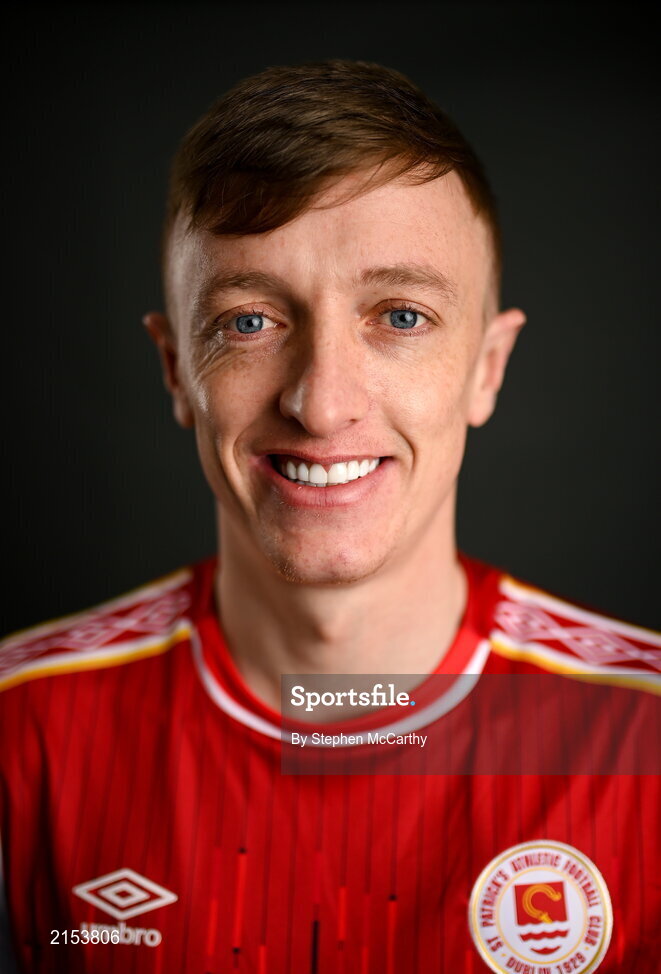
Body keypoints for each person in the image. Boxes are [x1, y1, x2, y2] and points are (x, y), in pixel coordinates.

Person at [0, 60, 658, 974]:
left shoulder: (644, 736)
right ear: (173, 370)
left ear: (487, 367)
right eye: (248, 322)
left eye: (399, 314)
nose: (319, 402)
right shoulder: (19, 728)